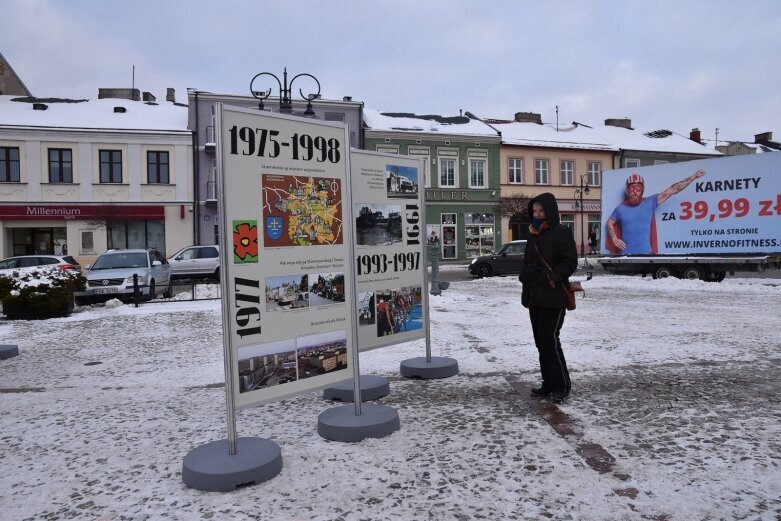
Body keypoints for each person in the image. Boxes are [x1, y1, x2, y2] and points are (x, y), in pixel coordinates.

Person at [519, 193, 578, 403]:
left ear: (550, 211)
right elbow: (527, 262)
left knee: (550, 340)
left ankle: (561, 385)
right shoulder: (533, 234)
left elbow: (570, 261)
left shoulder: (561, 232)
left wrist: (552, 277)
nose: (537, 214)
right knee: (540, 342)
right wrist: (524, 274)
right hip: (535, 296)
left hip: (554, 296)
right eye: (534, 211)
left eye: (541, 211)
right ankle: (548, 383)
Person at [606, 169, 705, 254]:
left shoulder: (649, 202)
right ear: (627, 191)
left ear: (642, 190)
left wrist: (693, 177)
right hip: (626, 255)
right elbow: (610, 223)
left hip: (646, 255)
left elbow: (673, 189)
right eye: (632, 188)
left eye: (638, 188)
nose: (635, 191)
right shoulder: (620, 208)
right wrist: (614, 239)